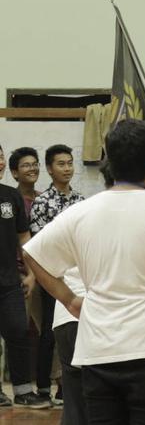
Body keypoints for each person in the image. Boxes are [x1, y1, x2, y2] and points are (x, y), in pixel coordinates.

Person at [22, 119, 145, 424]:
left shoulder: (80, 212)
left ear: (108, 158)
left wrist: (69, 300)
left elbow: (32, 253)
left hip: (99, 347)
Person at [29, 143, 83, 403]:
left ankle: (66, 386)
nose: (67, 168)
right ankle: (42, 387)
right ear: (49, 169)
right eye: (61, 164)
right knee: (49, 333)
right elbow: (39, 243)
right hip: (50, 275)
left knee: (73, 330)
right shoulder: (42, 202)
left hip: (76, 277)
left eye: (70, 163)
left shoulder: (81, 201)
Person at [0, 145, 42, 409]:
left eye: (0, 155)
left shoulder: (10, 197)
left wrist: (31, 274)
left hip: (10, 281)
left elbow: (24, 238)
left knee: (18, 331)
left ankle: (24, 391)